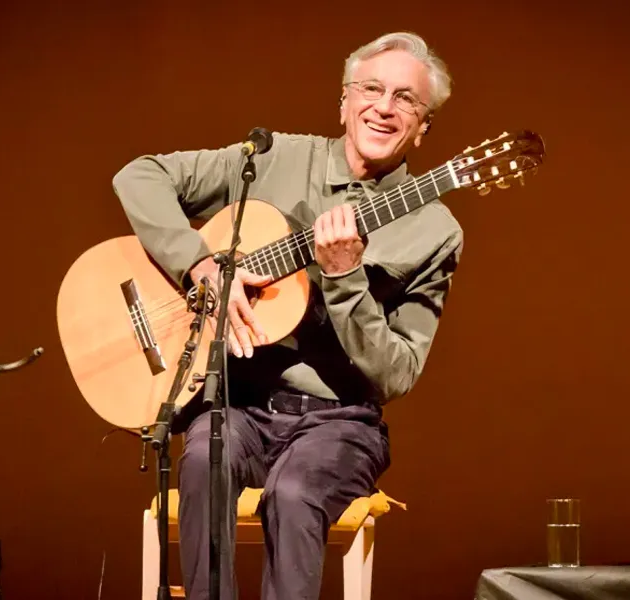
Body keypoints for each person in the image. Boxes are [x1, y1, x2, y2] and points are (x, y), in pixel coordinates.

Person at [113, 31, 463, 600]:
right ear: (344, 101)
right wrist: (200, 265)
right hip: (240, 403)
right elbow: (139, 175)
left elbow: (396, 374)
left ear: (424, 127)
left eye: (406, 99)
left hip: (340, 422)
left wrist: (346, 277)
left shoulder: (435, 230)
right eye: (371, 89)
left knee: (295, 490)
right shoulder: (275, 159)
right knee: (204, 458)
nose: (384, 107)